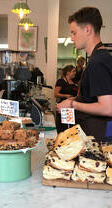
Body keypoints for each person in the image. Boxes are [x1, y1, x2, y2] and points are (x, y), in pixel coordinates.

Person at [56, 7, 112, 139]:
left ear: (87, 30)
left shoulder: (98, 61)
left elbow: (107, 107)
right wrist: (77, 99)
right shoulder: (100, 58)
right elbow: (95, 98)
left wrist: (72, 104)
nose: (71, 38)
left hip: (100, 136)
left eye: (74, 33)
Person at [55, 65, 78, 133]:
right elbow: (56, 94)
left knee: (71, 129)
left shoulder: (74, 82)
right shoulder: (61, 81)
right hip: (64, 108)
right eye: (73, 71)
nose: (75, 73)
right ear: (68, 72)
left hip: (72, 108)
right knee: (64, 129)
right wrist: (66, 96)